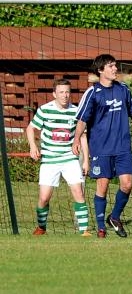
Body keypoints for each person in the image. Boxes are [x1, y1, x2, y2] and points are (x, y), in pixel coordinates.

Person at [72, 54, 132, 238]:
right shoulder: (92, 93)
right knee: (102, 186)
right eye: (110, 66)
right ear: (100, 70)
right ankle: (101, 227)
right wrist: (76, 139)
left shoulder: (123, 89)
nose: (115, 69)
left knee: (127, 184)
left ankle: (115, 217)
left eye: (115, 65)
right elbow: (81, 120)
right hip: (101, 148)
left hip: (122, 147)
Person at [26, 79, 91, 236]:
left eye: (67, 92)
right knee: (44, 198)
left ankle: (85, 231)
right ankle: (41, 227)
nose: (65, 95)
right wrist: (33, 146)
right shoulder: (44, 110)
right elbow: (30, 128)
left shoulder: (76, 111)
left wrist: (86, 161)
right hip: (49, 160)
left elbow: (82, 137)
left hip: (70, 158)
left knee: (78, 192)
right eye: (61, 92)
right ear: (54, 94)